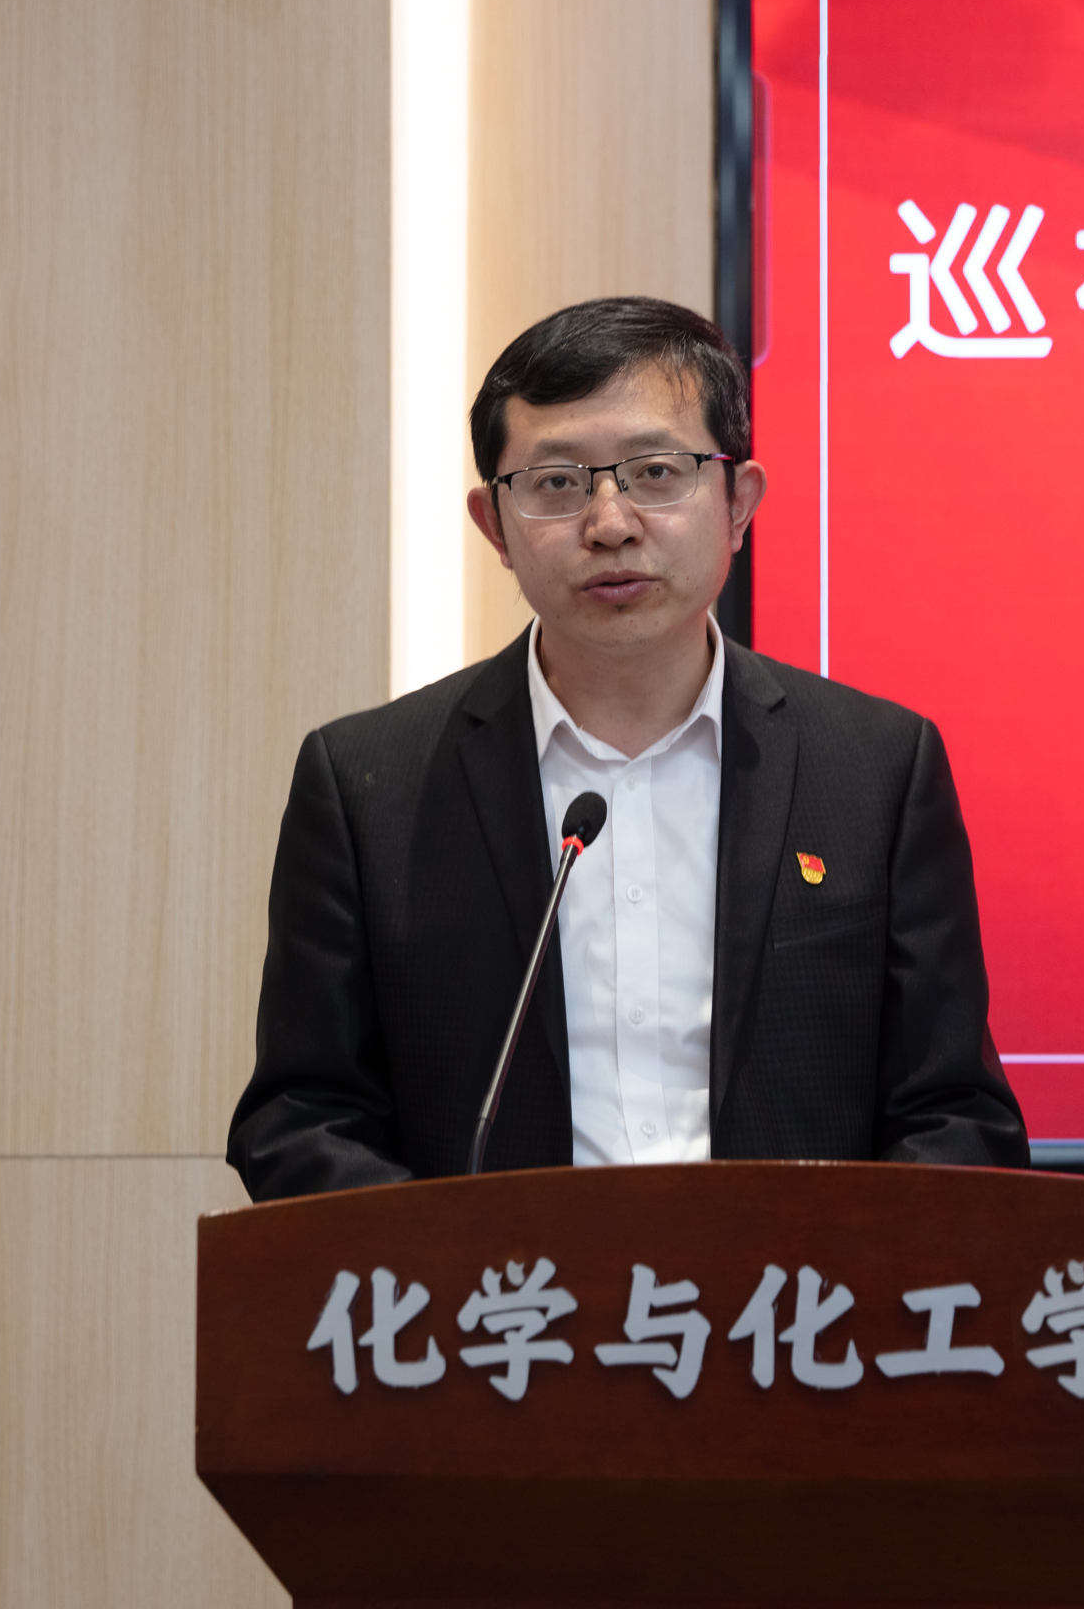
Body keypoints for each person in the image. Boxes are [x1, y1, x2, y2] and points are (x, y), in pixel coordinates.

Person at [227, 296, 1026, 1199]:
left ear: (738, 504)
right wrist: (451, 1265)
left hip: (792, 1289)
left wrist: (831, 1268)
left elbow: (956, 1118)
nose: (610, 523)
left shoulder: (876, 771)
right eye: (557, 483)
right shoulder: (369, 788)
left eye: (655, 472)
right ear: (494, 526)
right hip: (503, 1289)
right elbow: (300, 1119)